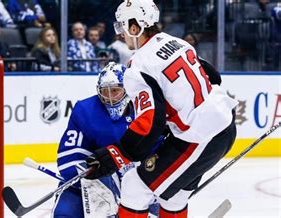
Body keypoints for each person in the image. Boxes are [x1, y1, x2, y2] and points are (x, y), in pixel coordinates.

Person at [84, 1, 238, 217]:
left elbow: (149, 122)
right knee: (172, 196)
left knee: (134, 186)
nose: (121, 34)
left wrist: (118, 153)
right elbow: (213, 76)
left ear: (134, 28)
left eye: (122, 27)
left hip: (201, 137)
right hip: (221, 125)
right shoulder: (178, 43)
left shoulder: (138, 66)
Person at [54, 62, 161, 217]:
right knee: (64, 215)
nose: (110, 98)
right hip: (92, 186)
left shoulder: (144, 109)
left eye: (115, 91)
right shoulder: (85, 111)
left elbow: (159, 152)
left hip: (141, 186)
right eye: (105, 91)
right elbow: (69, 157)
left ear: (127, 89)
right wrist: (96, 179)